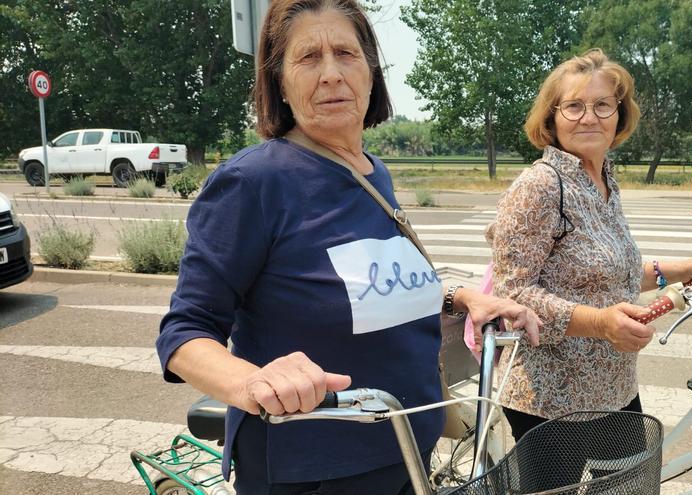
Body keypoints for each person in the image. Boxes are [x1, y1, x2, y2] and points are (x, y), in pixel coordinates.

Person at [156, 1, 540, 493]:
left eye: (346, 53)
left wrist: (460, 298)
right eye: (309, 58)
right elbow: (184, 333)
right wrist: (252, 381)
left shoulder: (371, 171)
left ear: (371, 70)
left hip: (409, 450)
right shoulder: (253, 182)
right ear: (279, 82)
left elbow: (368, 286)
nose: (332, 74)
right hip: (315, 471)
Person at [484, 48, 692, 441]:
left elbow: (608, 275)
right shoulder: (540, 186)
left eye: (602, 105)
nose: (589, 117)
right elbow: (513, 294)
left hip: (615, 388)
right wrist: (599, 323)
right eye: (574, 106)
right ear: (552, 117)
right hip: (551, 397)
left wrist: (689, 268)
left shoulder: (604, 181)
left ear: (619, 114)